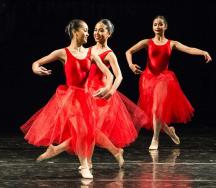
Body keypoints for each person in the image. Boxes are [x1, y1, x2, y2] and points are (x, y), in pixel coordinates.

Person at [21, 19, 113, 178]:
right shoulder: (63, 53)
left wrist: (106, 87)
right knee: (81, 130)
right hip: (69, 98)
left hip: (86, 97)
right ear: (74, 32)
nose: (87, 33)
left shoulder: (91, 54)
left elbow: (109, 74)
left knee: (88, 132)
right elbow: (36, 62)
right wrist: (36, 69)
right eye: (84, 30)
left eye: (87, 30)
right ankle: (84, 166)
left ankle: (57, 150)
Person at [125, 15, 212, 150]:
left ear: (165, 26)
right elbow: (128, 52)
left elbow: (188, 49)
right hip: (147, 79)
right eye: (155, 24)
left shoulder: (171, 44)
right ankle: (170, 131)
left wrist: (203, 52)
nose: (157, 27)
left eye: (160, 24)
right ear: (152, 27)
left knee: (156, 110)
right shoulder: (147, 42)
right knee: (152, 113)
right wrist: (131, 65)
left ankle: (155, 139)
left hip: (164, 79)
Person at [86, 18, 148, 168]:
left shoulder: (109, 54)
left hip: (100, 92)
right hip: (86, 90)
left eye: (101, 30)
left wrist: (110, 91)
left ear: (109, 33)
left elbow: (119, 75)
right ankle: (114, 152)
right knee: (87, 128)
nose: (97, 33)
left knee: (90, 127)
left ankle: (88, 161)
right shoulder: (88, 50)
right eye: (95, 30)